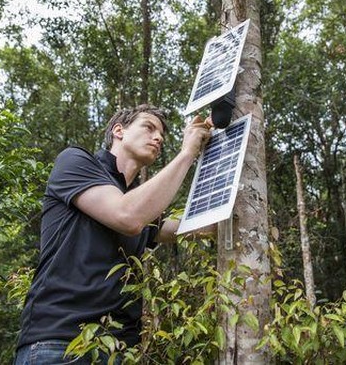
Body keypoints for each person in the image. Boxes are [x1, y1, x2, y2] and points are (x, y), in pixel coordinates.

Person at [14, 104, 213, 364]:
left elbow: (195, 228)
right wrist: (187, 153)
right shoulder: (76, 162)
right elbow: (127, 216)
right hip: (60, 344)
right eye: (149, 127)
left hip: (118, 351)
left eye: (161, 135)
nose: (158, 138)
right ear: (119, 130)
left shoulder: (140, 202)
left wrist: (222, 153)